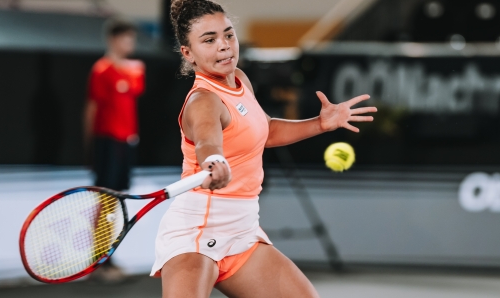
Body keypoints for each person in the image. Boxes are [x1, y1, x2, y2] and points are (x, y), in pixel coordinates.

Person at [150, 1, 377, 297]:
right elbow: (208, 142)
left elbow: (265, 129)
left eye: (228, 35)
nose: (224, 46)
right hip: (197, 232)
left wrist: (321, 124)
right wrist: (214, 162)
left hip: (242, 231)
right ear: (188, 54)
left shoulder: (240, 80)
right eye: (209, 40)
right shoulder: (203, 101)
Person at [84, 17, 145, 282]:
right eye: (124, 38)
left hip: (127, 142)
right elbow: (92, 108)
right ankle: (99, 260)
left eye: (131, 38)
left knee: (118, 199)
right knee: (106, 200)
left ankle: (108, 256)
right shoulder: (101, 70)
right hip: (107, 142)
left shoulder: (136, 69)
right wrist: (89, 147)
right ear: (112, 40)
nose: (129, 43)